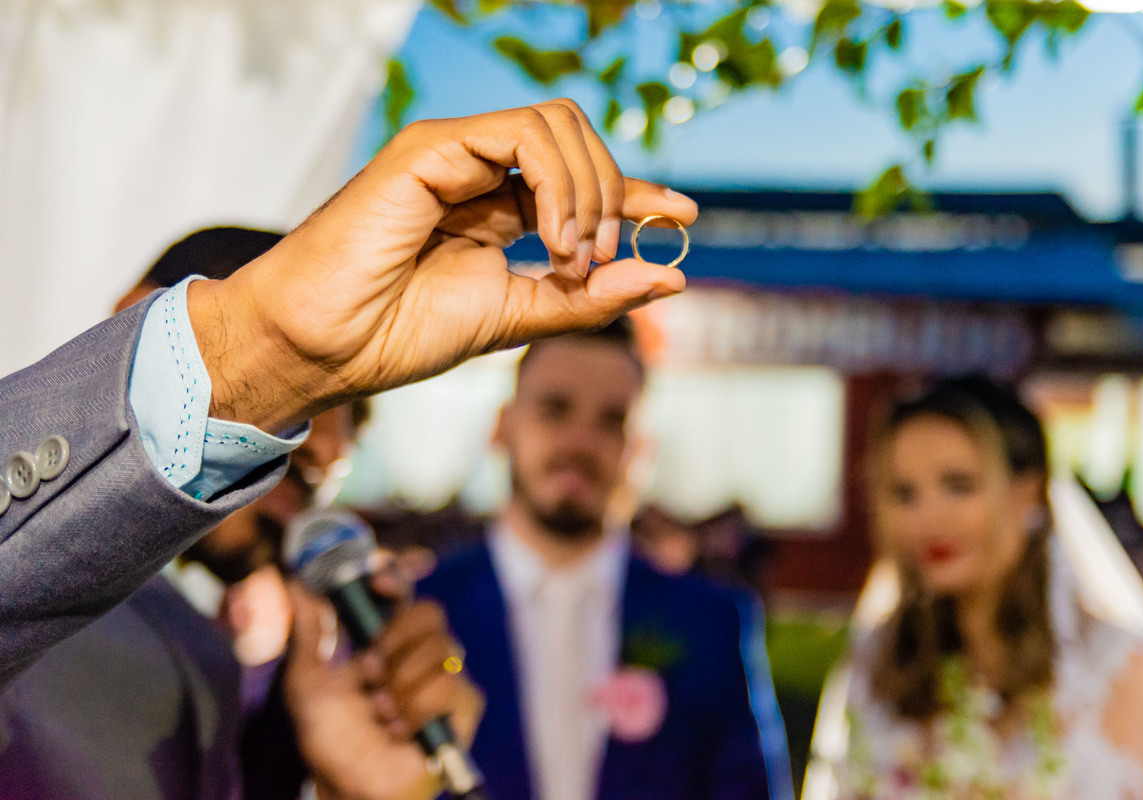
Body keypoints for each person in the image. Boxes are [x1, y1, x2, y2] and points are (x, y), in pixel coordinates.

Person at [0, 99, 699, 687]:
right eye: (266, 449)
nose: (288, 514)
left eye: (310, 482)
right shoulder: (64, 628)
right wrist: (260, 354)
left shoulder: (267, 665)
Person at [0, 228, 478, 800]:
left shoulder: (235, 669)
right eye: (273, 435)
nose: (289, 515)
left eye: (312, 485)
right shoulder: (42, 578)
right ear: (138, 315)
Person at [416, 317, 794, 800]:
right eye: (555, 410)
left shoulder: (711, 623)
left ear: (642, 449)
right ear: (502, 426)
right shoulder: (423, 612)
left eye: (612, 420)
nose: (580, 443)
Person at [835, 377, 1143, 800]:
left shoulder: (1122, 667)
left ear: (1027, 493)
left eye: (958, 485)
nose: (928, 517)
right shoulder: (882, 665)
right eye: (904, 493)